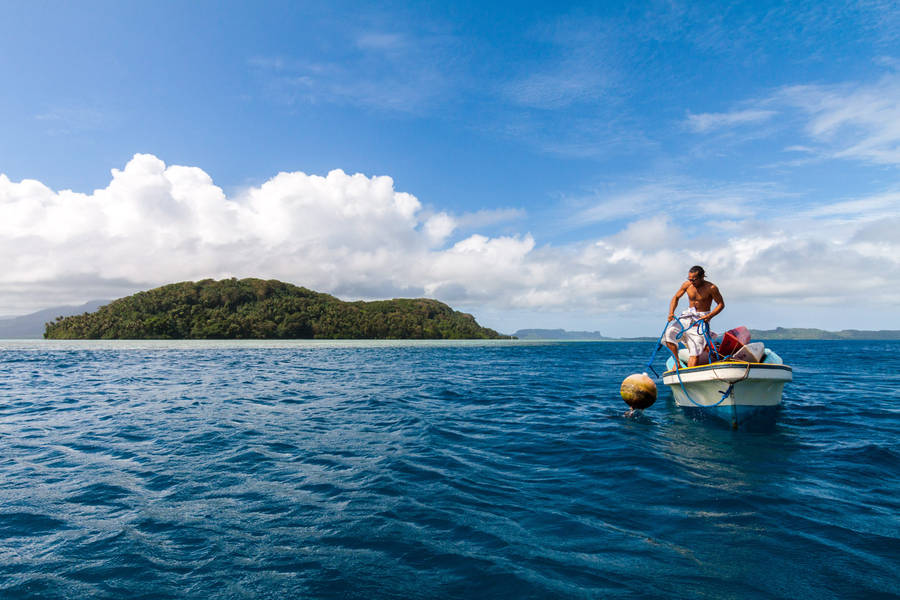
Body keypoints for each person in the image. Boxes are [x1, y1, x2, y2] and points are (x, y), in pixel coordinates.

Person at [664, 266, 724, 368]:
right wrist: (671, 313)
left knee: (695, 348)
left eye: (694, 279)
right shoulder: (687, 285)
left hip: (702, 317)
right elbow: (676, 297)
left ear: (702, 277)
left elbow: (721, 304)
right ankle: (677, 363)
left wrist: (709, 316)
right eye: (689, 279)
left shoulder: (711, 288)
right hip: (688, 315)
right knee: (669, 334)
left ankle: (690, 373)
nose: (691, 281)